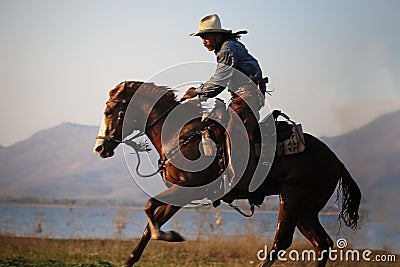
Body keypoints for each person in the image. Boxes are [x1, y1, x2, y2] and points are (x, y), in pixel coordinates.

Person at [181, 14, 266, 194]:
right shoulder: (226, 48)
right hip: (242, 96)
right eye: (201, 38)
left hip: (247, 97)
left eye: (206, 36)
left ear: (218, 36)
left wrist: (196, 92)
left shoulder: (227, 49)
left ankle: (240, 180)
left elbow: (219, 81)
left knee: (233, 130)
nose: (204, 41)